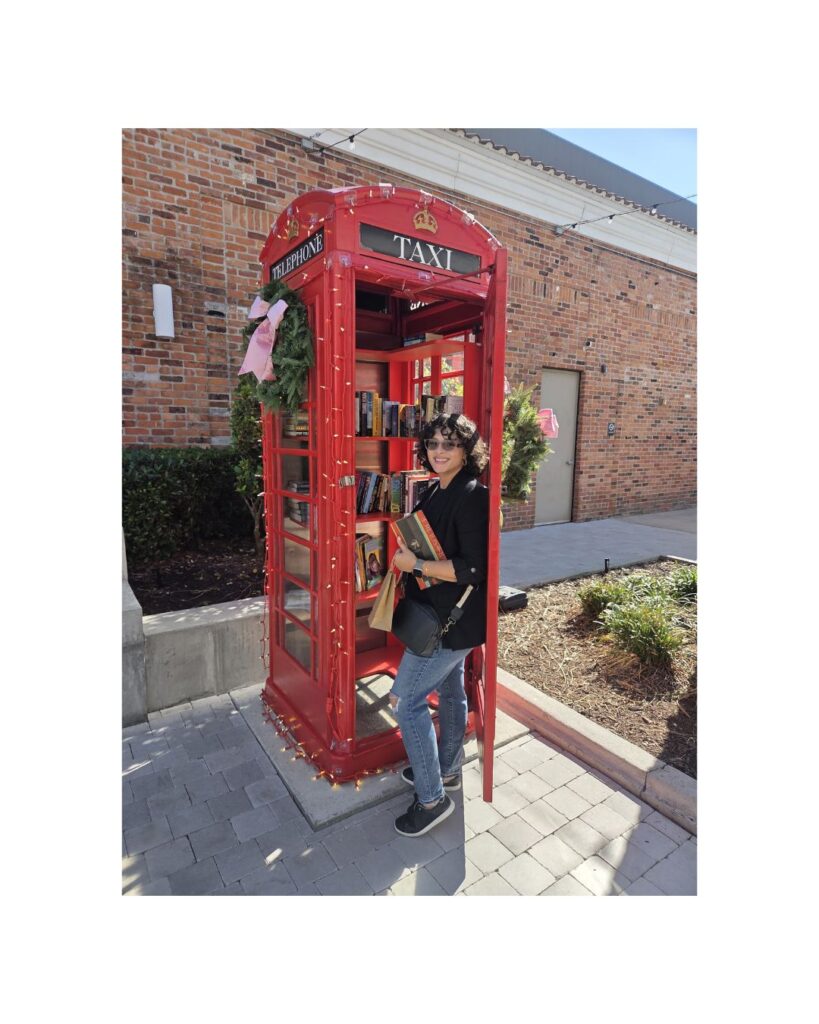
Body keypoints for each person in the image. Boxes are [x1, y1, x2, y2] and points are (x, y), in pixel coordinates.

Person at [389, 412, 490, 837]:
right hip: (432, 614)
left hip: (453, 623)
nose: (439, 451)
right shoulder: (433, 490)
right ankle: (446, 769)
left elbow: (474, 568)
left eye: (449, 443)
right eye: (432, 444)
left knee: (406, 703)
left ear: (467, 449)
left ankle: (431, 800)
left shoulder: (472, 495)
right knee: (450, 693)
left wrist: (419, 564)